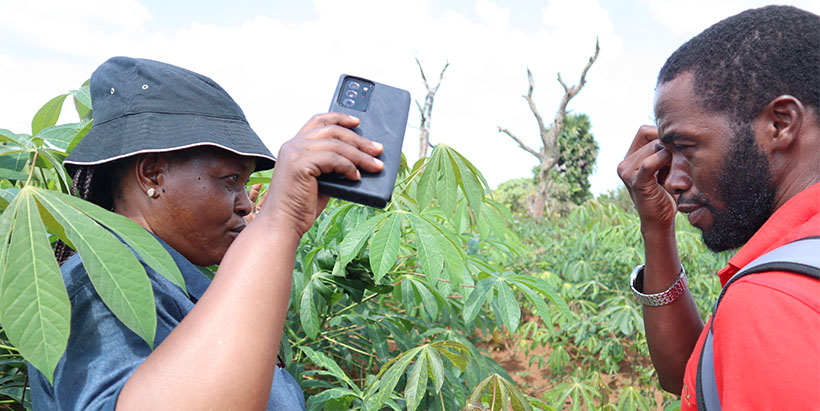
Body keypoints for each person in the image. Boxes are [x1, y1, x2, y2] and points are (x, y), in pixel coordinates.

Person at [28, 56, 385, 410]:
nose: (246, 203)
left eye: (245, 184)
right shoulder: (100, 286)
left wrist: (262, 245)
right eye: (231, 180)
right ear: (152, 174)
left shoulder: (171, 282)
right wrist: (279, 222)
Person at [617, 5, 819, 409]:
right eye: (666, 153)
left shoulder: (772, 300)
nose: (672, 181)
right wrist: (657, 230)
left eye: (686, 147)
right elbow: (693, 373)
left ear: (780, 124)